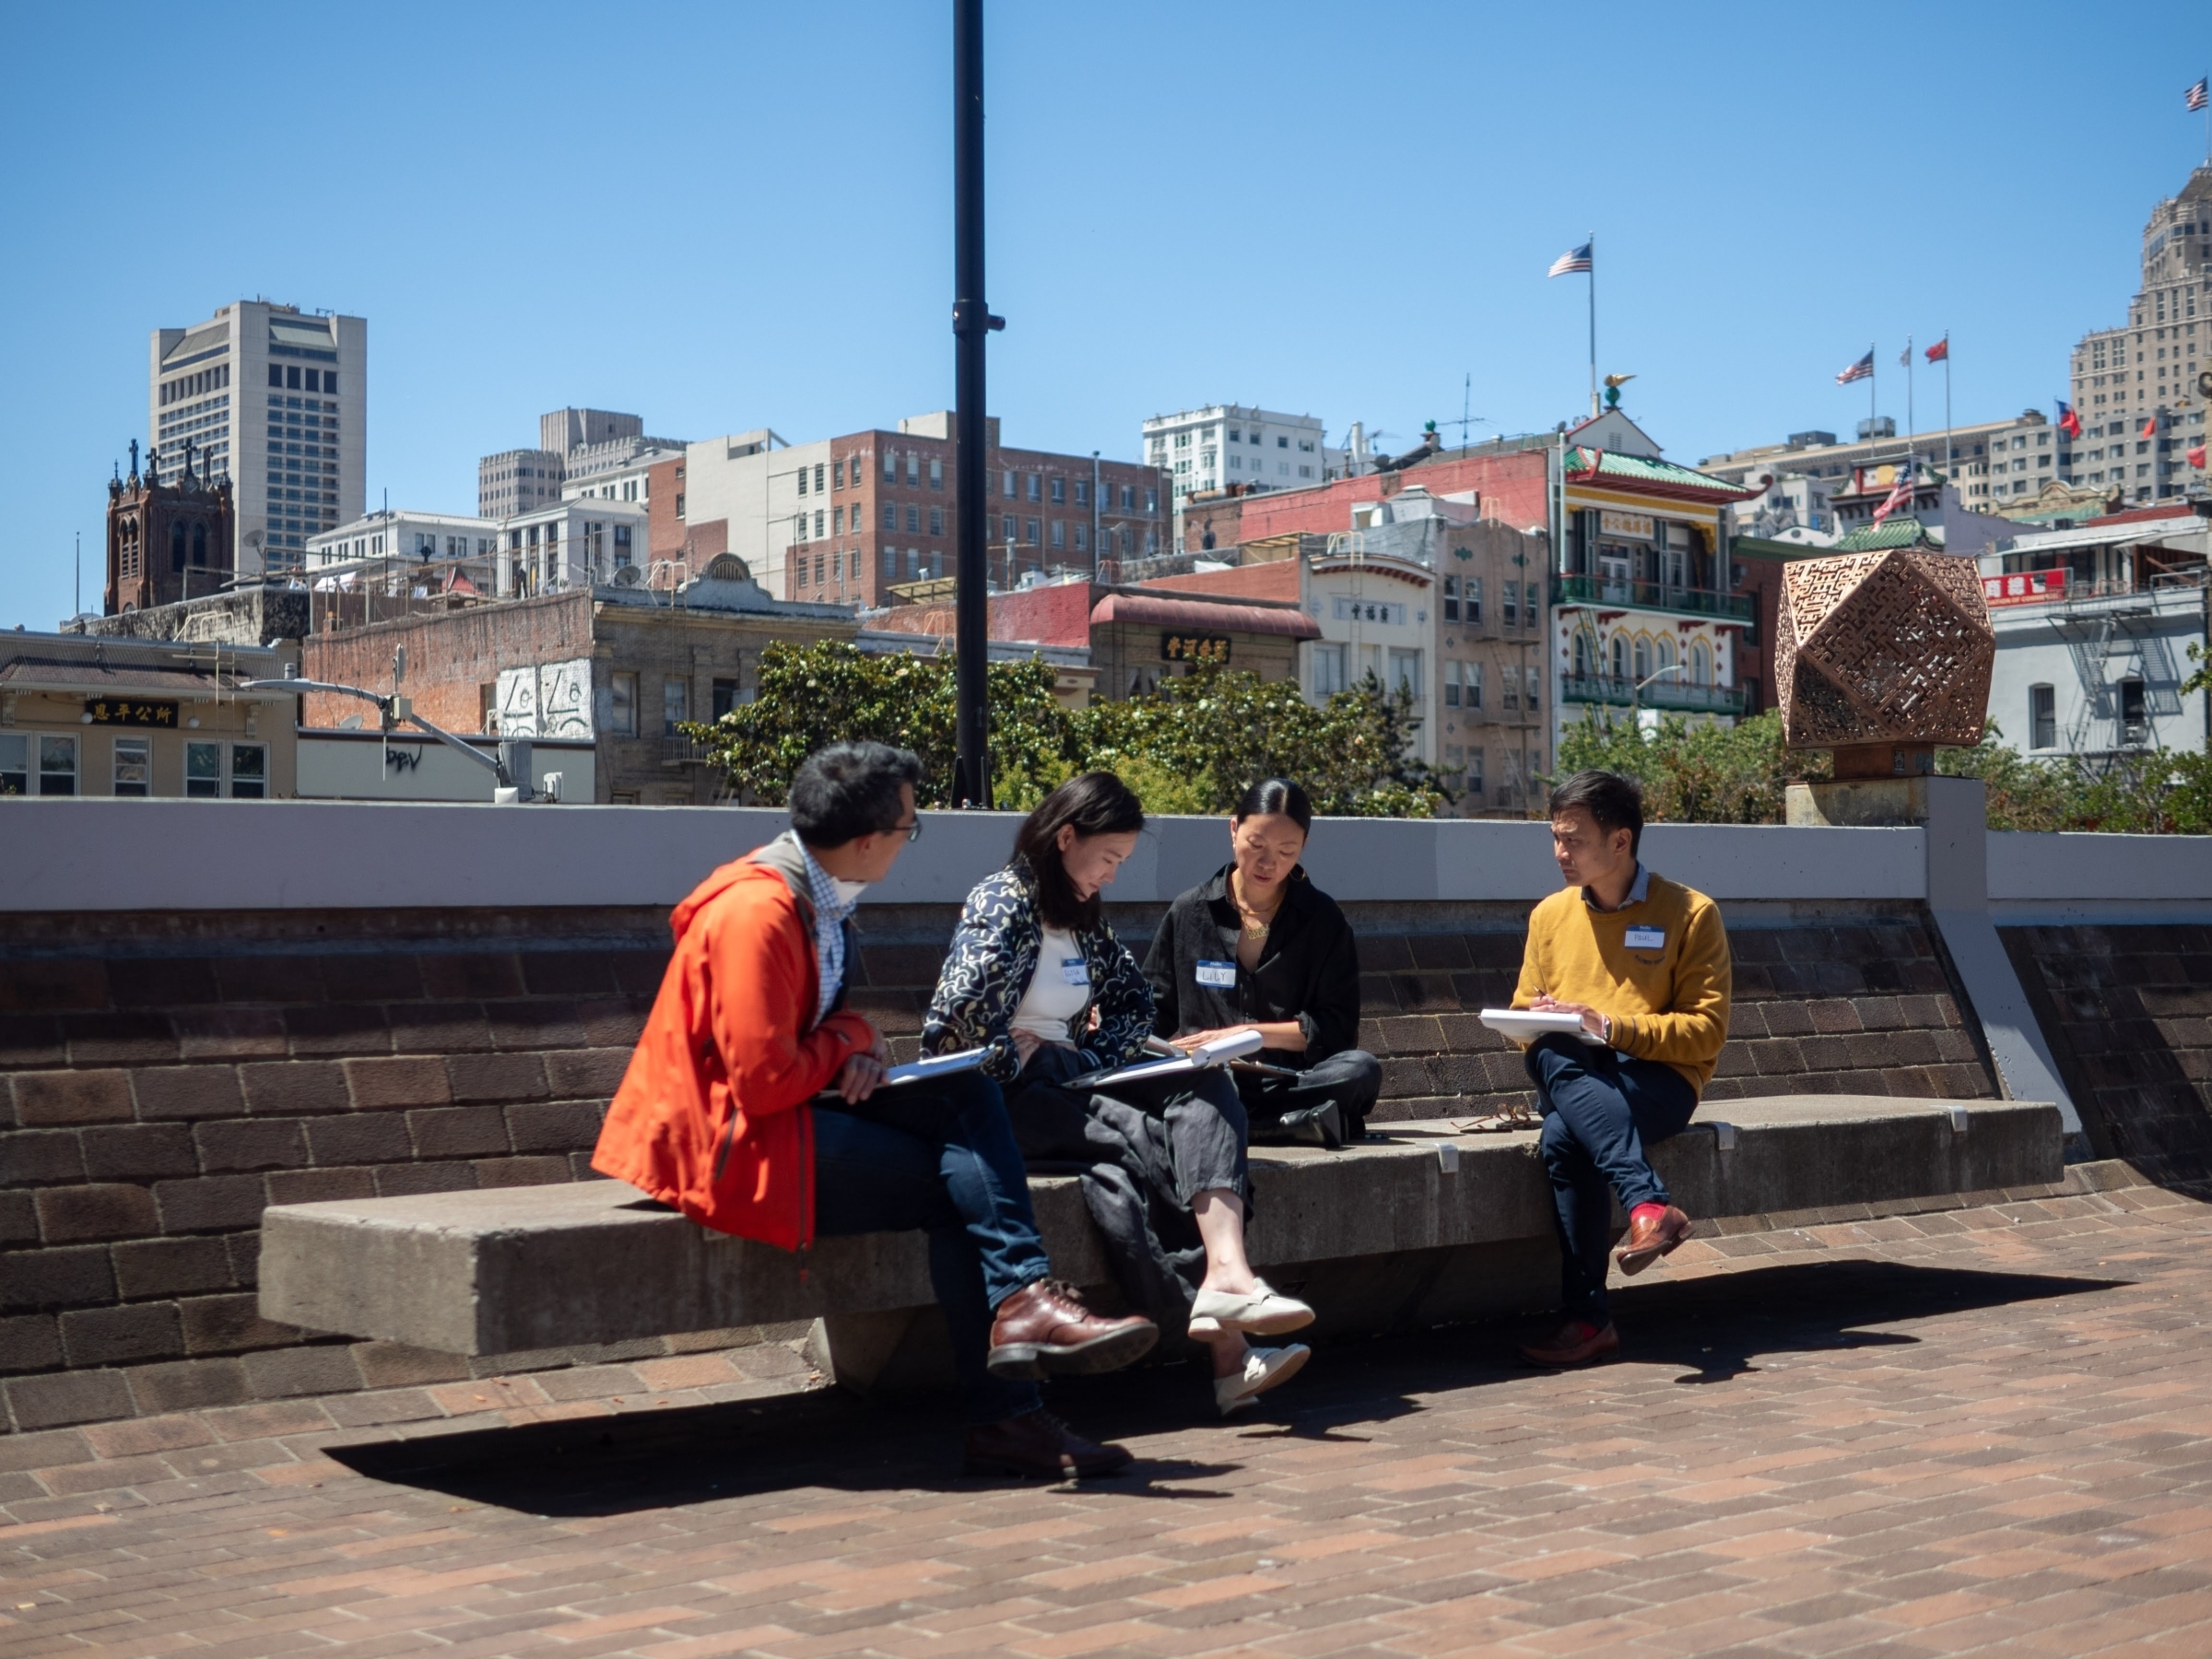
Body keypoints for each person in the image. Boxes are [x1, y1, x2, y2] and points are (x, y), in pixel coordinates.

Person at [593, 742, 1157, 1479]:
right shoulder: (756, 914)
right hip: (722, 1141)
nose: (906, 840)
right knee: (962, 1189)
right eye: (907, 827)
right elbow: (762, 1081)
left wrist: (840, 1043)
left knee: (966, 1092)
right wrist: (849, 1038)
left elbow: (798, 1048)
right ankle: (1009, 1404)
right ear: (866, 841)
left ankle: (1018, 1331)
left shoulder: (813, 898)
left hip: (781, 1115)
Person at [924, 771, 1316, 1418]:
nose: (1110, 875)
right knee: (1150, 1146)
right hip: (1007, 1100)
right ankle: (1228, 1347)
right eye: (1107, 858)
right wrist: (1011, 1050)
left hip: (1076, 1082)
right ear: (1065, 837)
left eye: (1122, 863)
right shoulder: (1003, 901)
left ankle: (1227, 1274)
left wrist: (1083, 1054)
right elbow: (949, 1026)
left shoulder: (1083, 920)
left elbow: (1136, 1004)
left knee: (1205, 1081)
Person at [1509, 769, 1732, 1367]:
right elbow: (1520, 1012)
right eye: (1555, 838)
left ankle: (1588, 1319)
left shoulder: (1691, 913)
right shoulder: (1549, 917)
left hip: (1657, 1078)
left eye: (1574, 839)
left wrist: (1607, 1026)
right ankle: (1648, 1207)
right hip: (1574, 1069)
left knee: (1563, 1137)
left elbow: (1706, 1032)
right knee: (1554, 1050)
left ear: (1620, 842)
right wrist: (1552, 1022)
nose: (1561, 852)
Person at [1145, 778, 1382, 1148]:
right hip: (1208, 1077)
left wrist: (1246, 1035)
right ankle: (1287, 1125)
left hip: (1289, 1080)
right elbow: (1153, 1010)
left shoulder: (1322, 920)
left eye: (1287, 851)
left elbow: (1337, 1030)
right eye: (1256, 845)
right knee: (1144, 1073)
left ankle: (1251, 1124)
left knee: (1360, 1070)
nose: (1268, 863)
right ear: (1234, 830)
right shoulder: (1190, 912)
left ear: (1304, 846)